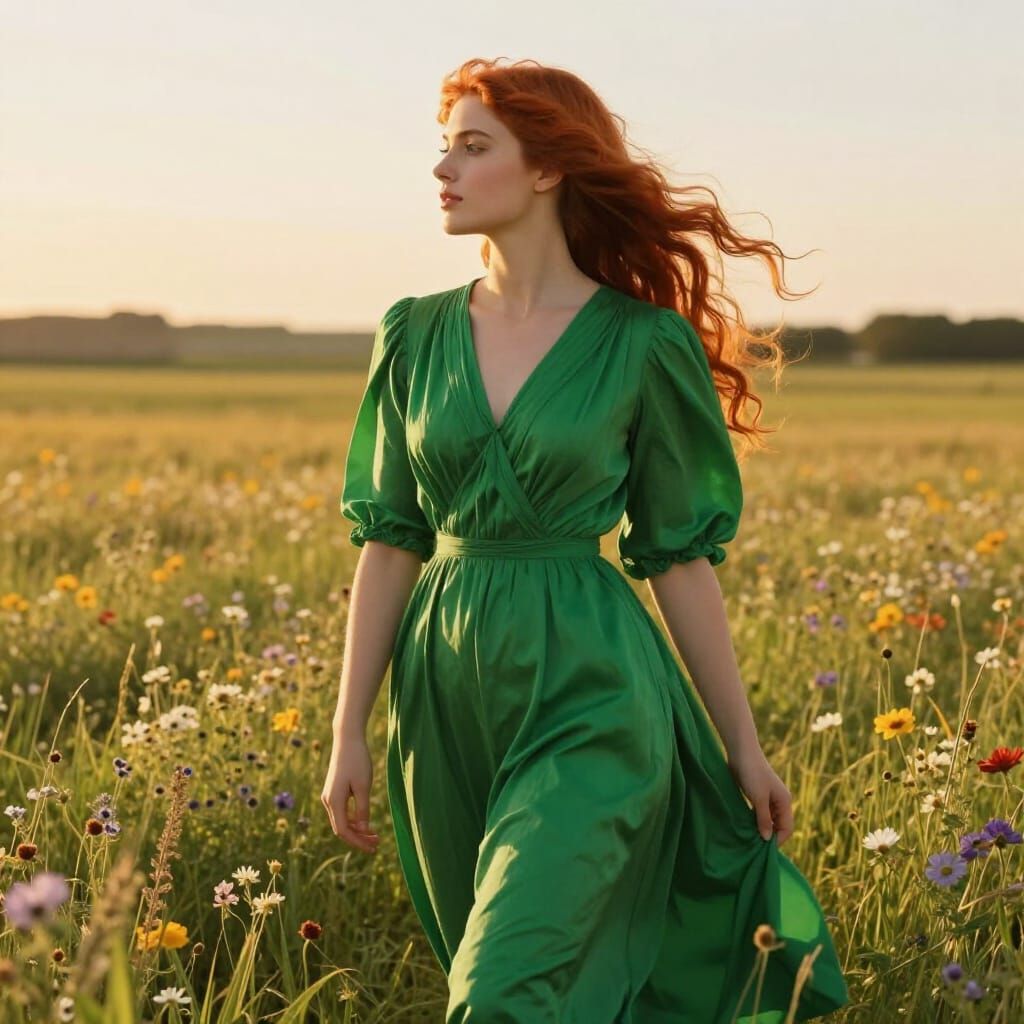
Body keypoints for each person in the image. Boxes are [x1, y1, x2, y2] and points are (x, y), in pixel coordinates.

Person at [322, 57, 850, 1023]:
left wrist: (744, 745)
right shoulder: (410, 333)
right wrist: (347, 728)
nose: (444, 168)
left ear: (548, 170)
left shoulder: (643, 343)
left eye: (474, 147)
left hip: (594, 686)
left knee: (501, 994)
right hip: (443, 694)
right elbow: (390, 539)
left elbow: (677, 556)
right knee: (534, 979)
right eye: (443, 147)